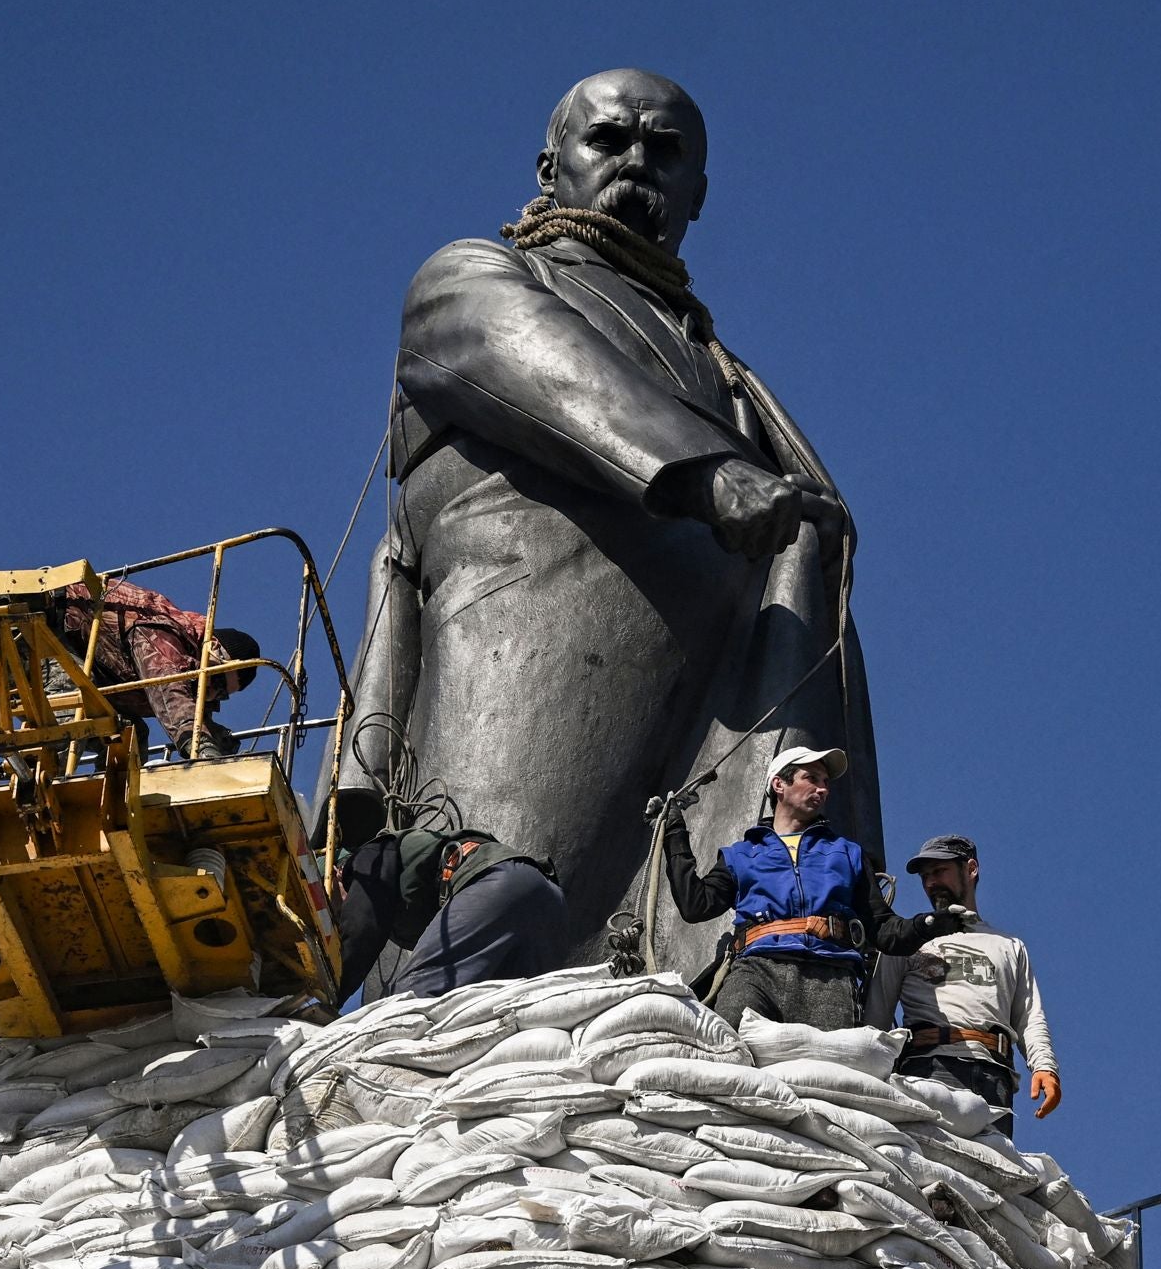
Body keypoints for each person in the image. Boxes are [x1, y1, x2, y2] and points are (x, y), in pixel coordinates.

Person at [326, 69, 881, 993]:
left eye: (665, 153)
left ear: (697, 193)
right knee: (502, 895)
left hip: (712, 698)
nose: (637, 164)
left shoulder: (720, 365)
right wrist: (707, 473)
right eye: (609, 141)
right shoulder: (481, 273)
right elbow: (508, 346)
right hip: (527, 653)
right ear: (553, 166)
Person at [662, 745, 948, 1028]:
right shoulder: (741, 855)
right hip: (756, 971)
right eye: (811, 778)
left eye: (825, 782)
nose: (823, 789)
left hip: (831, 976)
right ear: (779, 785)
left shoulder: (849, 854)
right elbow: (695, 905)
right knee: (729, 1054)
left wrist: (927, 924)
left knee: (831, 1071)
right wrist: (674, 833)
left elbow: (882, 929)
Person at [871, 835, 1064, 1138]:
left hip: (995, 1074)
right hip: (929, 1068)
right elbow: (876, 1018)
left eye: (939, 871)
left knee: (992, 1174)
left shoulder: (1008, 946)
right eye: (925, 876)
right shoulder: (909, 940)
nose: (931, 882)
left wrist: (1044, 1067)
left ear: (970, 869)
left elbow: (1029, 1016)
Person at [331, 822, 567, 1004]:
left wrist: (329, 998)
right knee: (512, 1017)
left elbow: (361, 928)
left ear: (336, 872)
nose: (337, 915)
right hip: (548, 902)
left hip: (496, 884)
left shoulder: (367, 859)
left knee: (408, 1001)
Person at [48, 577, 260, 759]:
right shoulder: (162, 631)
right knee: (74, 709)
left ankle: (107, 804)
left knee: (130, 735)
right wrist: (202, 745)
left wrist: (219, 738)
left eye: (221, 695)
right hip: (38, 630)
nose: (212, 692)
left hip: (72, 656)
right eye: (219, 680)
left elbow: (190, 707)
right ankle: (34, 793)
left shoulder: (194, 675)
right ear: (213, 647)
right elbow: (168, 686)